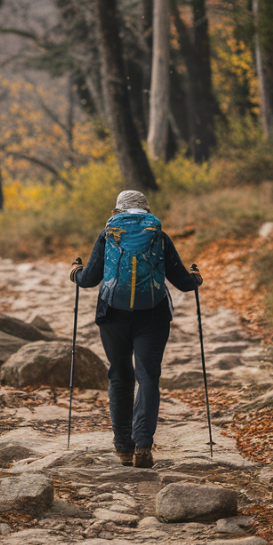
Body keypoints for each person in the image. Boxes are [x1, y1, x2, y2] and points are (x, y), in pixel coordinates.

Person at [70, 190, 203, 468]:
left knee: (120, 376)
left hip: (112, 316)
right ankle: (143, 443)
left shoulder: (108, 235)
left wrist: (75, 272)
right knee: (148, 377)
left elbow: (90, 278)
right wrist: (195, 277)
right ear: (146, 211)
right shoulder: (158, 236)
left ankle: (123, 447)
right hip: (152, 317)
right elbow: (182, 281)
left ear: (117, 212)